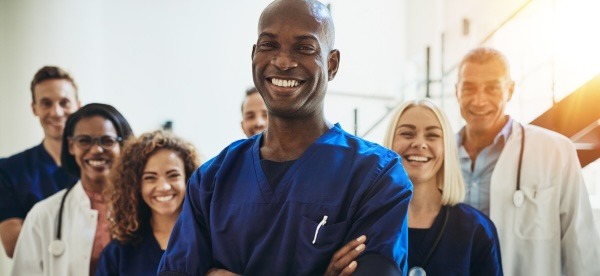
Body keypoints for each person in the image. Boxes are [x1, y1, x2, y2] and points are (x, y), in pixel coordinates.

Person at [158, 0, 413, 275]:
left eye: (304, 48)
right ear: (254, 54)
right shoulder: (213, 180)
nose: (282, 61)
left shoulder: (377, 177)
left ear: (332, 64)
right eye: (269, 45)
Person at [455, 47, 600, 275]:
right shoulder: (440, 156)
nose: (479, 100)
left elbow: (580, 246)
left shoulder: (556, 151)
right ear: (456, 91)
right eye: (468, 88)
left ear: (510, 90)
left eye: (492, 88)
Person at [11, 103, 133, 276]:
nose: (97, 149)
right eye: (84, 141)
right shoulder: (44, 215)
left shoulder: (143, 210)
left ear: (123, 146)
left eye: (107, 141)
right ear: (71, 146)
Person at [385, 99, 502, 275]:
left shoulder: (476, 229)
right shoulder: (367, 222)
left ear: (446, 147)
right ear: (390, 143)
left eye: (432, 136)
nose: (419, 143)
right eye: (407, 134)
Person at [0, 66, 81, 258]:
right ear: (34, 108)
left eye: (64, 102)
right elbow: (14, 246)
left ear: (78, 105)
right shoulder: (9, 170)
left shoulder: (96, 165)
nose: (56, 112)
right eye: (46, 103)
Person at [96, 131, 200, 276]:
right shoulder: (119, 253)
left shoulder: (209, 242)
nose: (164, 187)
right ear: (135, 186)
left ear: (188, 178)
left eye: (173, 175)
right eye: (150, 178)